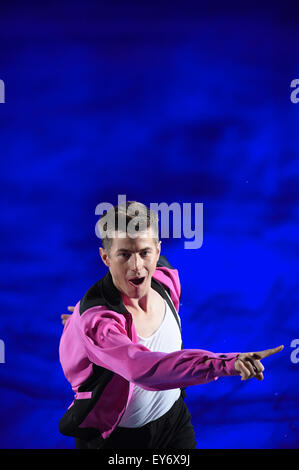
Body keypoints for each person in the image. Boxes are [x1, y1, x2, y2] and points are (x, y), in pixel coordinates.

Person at [59, 201, 283, 449]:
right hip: (117, 441)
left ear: (157, 252)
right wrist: (225, 363)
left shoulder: (165, 278)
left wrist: (82, 316)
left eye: (144, 252)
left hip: (174, 421)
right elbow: (142, 369)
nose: (136, 266)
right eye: (124, 254)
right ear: (106, 257)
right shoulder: (98, 323)